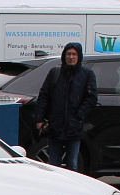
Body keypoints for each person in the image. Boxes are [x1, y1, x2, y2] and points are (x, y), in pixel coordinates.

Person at [32, 42, 98, 171]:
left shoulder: (87, 74)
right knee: (53, 165)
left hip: (74, 128)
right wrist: (39, 119)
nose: (71, 57)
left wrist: (78, 116)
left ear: (79, 56)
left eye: (74, 54)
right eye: (68, 54)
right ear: (64, 56)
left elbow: (91, 98)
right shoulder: (55, 73)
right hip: (55, 126)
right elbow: (44, 96)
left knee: (72, 165)